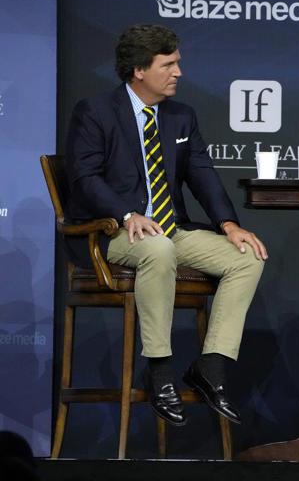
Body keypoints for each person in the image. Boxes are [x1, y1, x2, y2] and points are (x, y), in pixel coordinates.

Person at [65, 24, 268, 426]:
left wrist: (228, 223)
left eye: (177, 62)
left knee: (247, 256)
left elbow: (202, 174)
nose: (178, 72)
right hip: (109, 231)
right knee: (158, 250)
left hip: (169, 228)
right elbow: (84, 178)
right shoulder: (95, 111)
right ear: (139, 70)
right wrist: (127, 214)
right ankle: (159, 370)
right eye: (168, 64)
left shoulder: (181, 116)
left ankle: (210, 366)